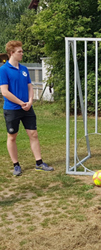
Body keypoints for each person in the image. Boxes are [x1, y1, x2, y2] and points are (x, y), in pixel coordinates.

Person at [0, 40, 54, 176]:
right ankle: (16, 165)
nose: (22, 53)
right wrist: (20, 103)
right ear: (12, 53)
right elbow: (4, 92)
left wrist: (30, 101)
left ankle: (39, 163)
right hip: (12, 108)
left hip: (27, 107)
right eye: (20, 51)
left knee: (33, 134)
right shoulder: (3, 70)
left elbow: (30, 86)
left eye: (22, 51)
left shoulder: (24, 69)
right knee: (12, 136)